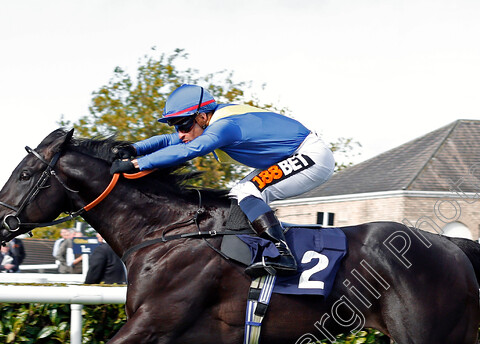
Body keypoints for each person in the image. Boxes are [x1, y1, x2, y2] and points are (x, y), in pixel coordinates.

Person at [110, 84, 335, 277]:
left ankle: (282, 254)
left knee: (248, 191)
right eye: (176, 126)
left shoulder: (226, 126)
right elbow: (171, 140)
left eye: (184, 125)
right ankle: (258, 248)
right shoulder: (214, 119)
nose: (180, 133)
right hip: (292, 155)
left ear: (202, 116)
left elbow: (192, 149)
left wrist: (137, 164)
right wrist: (133, 148)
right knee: (238, 192)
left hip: (310, 156)